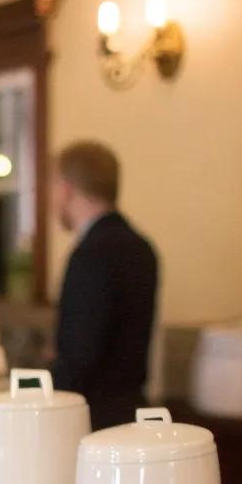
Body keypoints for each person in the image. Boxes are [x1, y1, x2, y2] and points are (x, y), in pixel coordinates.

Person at [50, 141, 158, 429]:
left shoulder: (90, 254)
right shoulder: (142, 247)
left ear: (66, 188)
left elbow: (80, 355)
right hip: (131, 409)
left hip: (93, 418)